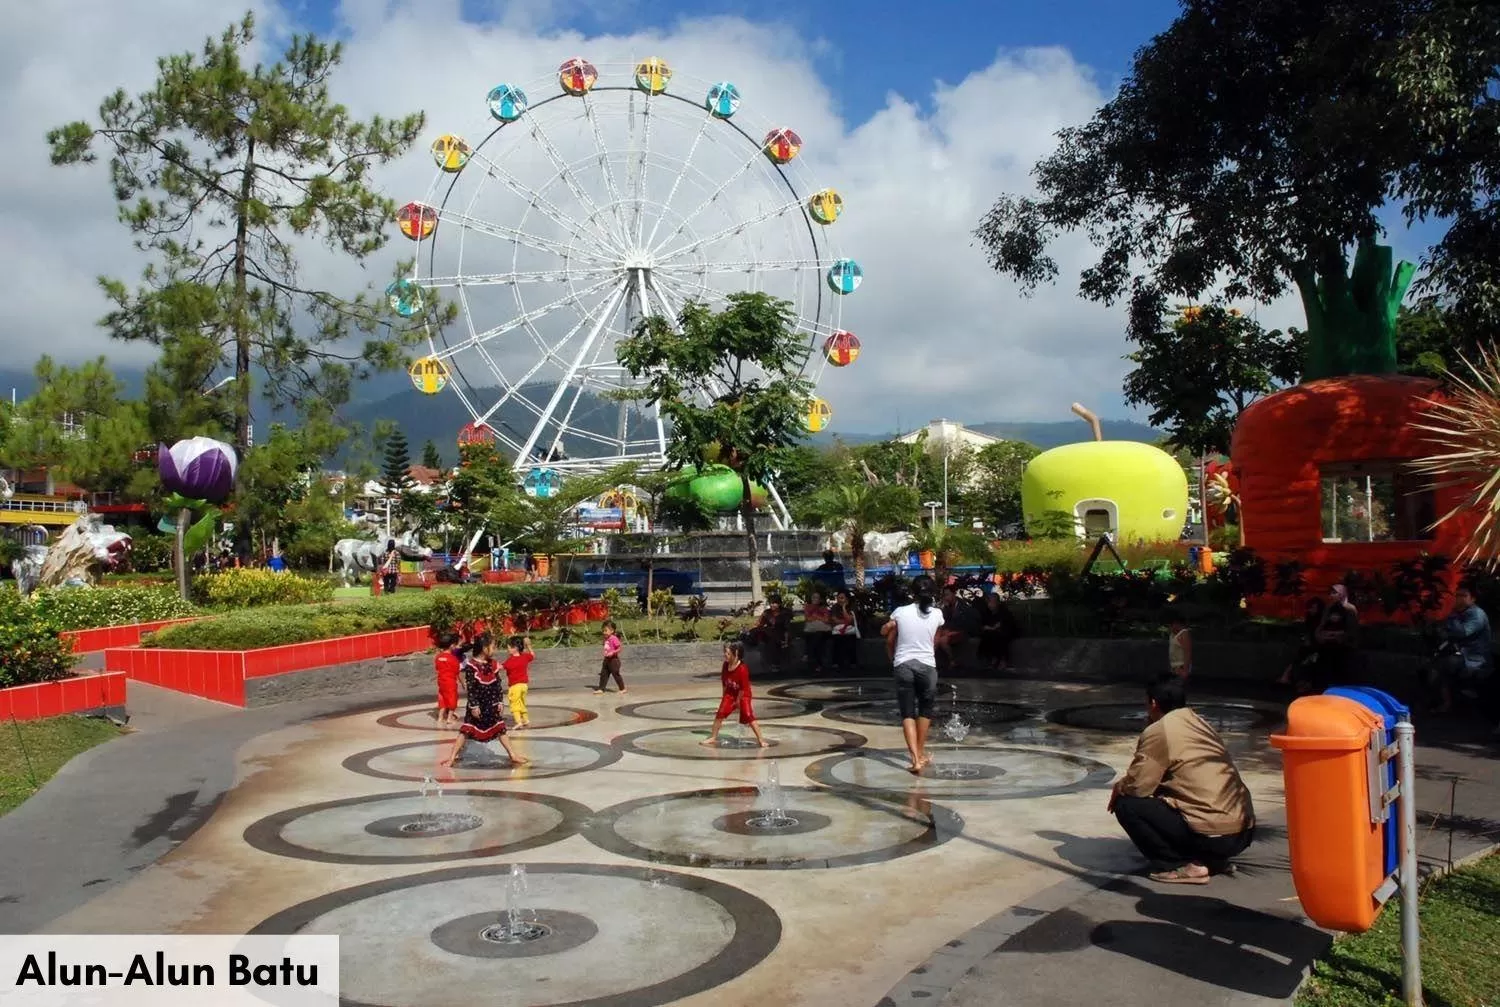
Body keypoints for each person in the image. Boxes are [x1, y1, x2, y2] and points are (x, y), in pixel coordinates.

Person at [1108, 675, 1256, 884]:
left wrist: (1120, 786)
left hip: (1215, 836)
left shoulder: (1161, 730)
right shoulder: (1199, 722)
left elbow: (1138, 786)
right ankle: (1211, 861)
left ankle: (1178, 864)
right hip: (1243, 832)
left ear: (1152, 703)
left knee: (1127, 804)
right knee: (1163, 794)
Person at [881, 575, 947, 773]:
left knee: (907, 713)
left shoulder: (900, 612)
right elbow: (935, 640)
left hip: (904, 665)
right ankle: (920, 753)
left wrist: (889, 626)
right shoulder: (937, 614)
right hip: (928, 666)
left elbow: (884, 632)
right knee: (925, 712)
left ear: (913, 592)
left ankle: (916, 760)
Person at [442, 635, 529, 768]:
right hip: (477, 705)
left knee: (500, 729)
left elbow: (497, 685)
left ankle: (513, 755)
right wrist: (474, 705)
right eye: (493, 646)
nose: (495, 649)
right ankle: (452, 757)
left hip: (491, 703)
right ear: (484, 648)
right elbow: (471, 688)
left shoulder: (492, 664)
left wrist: (499, 701)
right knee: (466, 731)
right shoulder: (471, 666)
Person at [1428, 583, 1492, 715]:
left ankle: (1446, 703)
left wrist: (1453, 618)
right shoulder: (1458, 613)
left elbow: (1462, 632)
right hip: (1460, 654)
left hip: (1475, 658)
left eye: (1463, 595)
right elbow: (1443, 630)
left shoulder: (1476, 614)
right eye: (1457, 595)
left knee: (1443, 665)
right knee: (1436, 663)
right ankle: (1444, 701)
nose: (1459, 598)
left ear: (1472, 599)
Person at [700, 640, 769, 747]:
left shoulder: (742, 669)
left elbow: (743, 688)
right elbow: (724, 683)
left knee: (748, 714)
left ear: (735, 653)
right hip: (730, 693)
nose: (725, 655)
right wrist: (724, 698)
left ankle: (761, 740)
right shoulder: (725, 665)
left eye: (728, 653)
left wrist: (738, 702)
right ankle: (713, 737)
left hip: (743, 695)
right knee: (720, 713)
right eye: (724, 652)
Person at [1276, 597, 1326, 691]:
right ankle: (1287, 677)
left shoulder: (1322, 620)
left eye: (1314, 608)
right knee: (1300, 658)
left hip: (1319, 647)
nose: (1311, 610)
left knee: (1310, 662)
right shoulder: (1310, 619)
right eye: (1310, 608)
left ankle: (1305, 683)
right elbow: (1307, 632)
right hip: (1309, 645)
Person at [1315, 583, 1359, 685]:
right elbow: (1322, 625)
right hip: (1327, 641)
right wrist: (1319, 635)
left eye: (1334, 593)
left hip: (1344, 644)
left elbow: (1352, 631)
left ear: (1341, 593)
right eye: (1330, 593)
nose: (1331, 595)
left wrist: (1336, 635)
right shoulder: (1329, 608)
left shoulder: (1350, 609)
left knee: (1337, 656)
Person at [976, 592, 1018, 671]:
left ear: (997, 602)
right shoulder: (986, 612)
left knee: (1001, 637)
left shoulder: (1004, 611)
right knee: (987, 636)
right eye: (989, 602)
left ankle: (1003, 660)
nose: (990, 605)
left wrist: (995, 627)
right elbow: (983, 624)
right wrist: (987, 628)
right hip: (991, 632)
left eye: (992, 602)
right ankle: (992, 659)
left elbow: (1007, 624)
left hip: (1005, 632)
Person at [433, 630, 464, 729]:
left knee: (442, 699)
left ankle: (440, 717)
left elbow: (437, 668)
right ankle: (449, 718)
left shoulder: (438, 657)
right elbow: (457, 672)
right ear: (451, 645)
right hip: (450, 682)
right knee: (452, 700)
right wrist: (463, 683)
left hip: (441, 682)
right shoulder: (453, 659)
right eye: (455, 645)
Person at [502, 635, 535, 729]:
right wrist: (529, 645)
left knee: (514, 703)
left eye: (508, 647)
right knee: (522, 702)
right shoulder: (525, 656)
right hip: (524, 685)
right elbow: (532, 655)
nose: (507, 649)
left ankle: (518, 721)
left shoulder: (510, 660)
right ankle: (525, 719)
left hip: (515, 686)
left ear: (514, 648)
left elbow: (502, 667)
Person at [756, 596, 792, 674]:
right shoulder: (767, 612)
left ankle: (775, 664)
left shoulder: (785, 612)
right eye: (771, 603)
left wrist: (786, 640)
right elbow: (759, 624)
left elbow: (787, 628)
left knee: (773, 640)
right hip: (769, 634)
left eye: (775, 603)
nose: (772, 605)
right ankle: (775, 664)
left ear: (779, 604)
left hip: (780, 633)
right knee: (768, 634)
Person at [802, 591, 833, 673]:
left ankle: (809, 656)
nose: (815, 599)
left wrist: (816, 616)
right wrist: (819, 618)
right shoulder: (808, 607)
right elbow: (807, 618)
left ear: (820, 599)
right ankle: (817, 664)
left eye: (817, 598)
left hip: (824, 631)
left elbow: (826, 620)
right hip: (811, 630)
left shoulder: (824, 608)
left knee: (818, 636)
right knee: (815, 638)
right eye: (813, 597)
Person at [829, 589, 859, 672]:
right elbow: (835, 619)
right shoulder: (835, 607)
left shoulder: (853, 606)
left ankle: (853, 663)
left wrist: (844, 608)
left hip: (850, 630)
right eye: (838, 598)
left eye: (842, 598)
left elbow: (850, 619)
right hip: (839, 630)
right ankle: (836, 663)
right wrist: (845, 622)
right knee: (837, 640)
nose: (839, 600)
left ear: (847, 599)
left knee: (850, 641)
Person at [595, 620, 626, 693]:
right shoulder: (606, 638)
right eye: (603, 631)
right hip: (607, 659)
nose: (604, 632)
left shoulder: (614, 638)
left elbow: (620, 648)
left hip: (613, 660)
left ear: (612, 631)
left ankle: (622, 688)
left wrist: (613, 652)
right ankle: (601, 688)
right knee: (603, 674)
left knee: (616, 674)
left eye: (606, 630)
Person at [1167, 609, 1192, 679]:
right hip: (1174, 667)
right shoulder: (1172, 634)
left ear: (1176, 624)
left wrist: (1185, 670)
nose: (1169, 627)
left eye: (1171, 625)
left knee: (1180, 688)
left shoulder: (1184, 634)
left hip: (1181, 667)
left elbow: (1188, 652)